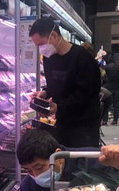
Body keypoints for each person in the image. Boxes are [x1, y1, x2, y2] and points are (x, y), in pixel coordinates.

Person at [29, 17, 102, 148]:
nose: (41, 49)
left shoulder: (82, 57)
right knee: (64, 162)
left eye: (40, 44)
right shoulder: (49, 59)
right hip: (63, 122)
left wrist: (59, 107)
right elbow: (55, 87)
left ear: (54, 35)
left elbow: (85, 94)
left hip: (84, 124)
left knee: (84, 164)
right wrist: (44, 93)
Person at [102, 52, 119, 126]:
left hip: (107, 88)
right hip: (117, 88)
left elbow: (102, 77)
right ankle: (115, 121)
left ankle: (104, 120)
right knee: (116, 105)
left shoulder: (105, 67)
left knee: (105, 104)